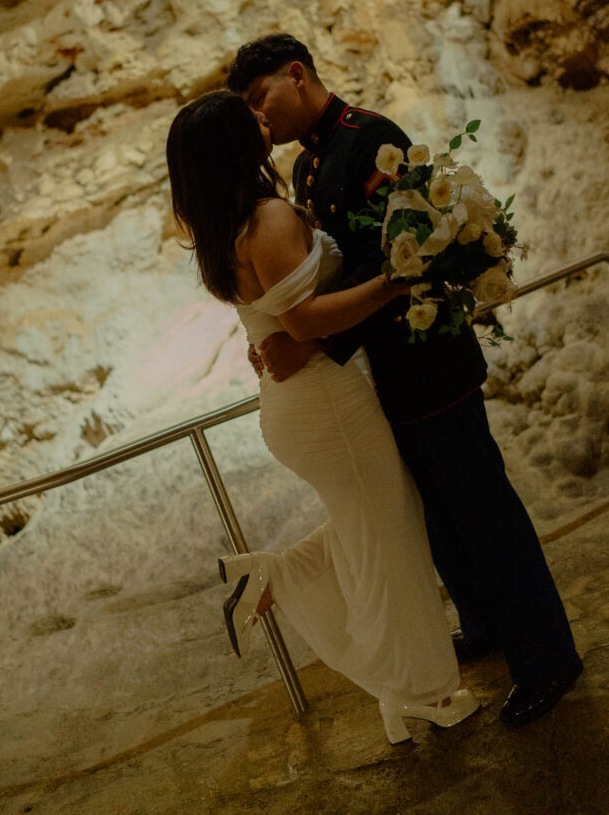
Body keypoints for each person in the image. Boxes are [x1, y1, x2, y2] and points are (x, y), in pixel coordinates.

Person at [226, 33, 583, 729]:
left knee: (483, 512)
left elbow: (397, 261)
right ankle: (484, 621)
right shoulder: (308, 166)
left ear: (296, 74)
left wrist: (311, 339)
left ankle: (547, 658)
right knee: (440, 515)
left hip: (429, 361)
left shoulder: (371, 140)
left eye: (261, 97)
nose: (260, 116)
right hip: (380, 372)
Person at [166, 91, 480, 745]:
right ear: (232, 146)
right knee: (392, 538)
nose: (261, 116)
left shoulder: (222, 228)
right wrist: (397, 280)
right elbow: (304, 322)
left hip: (301, 406)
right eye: (247, 116)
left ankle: (286, 589)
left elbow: (282, 322)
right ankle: (429, 692)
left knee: (374, 529)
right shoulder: (268, 216)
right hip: (327, 403)